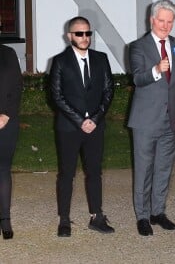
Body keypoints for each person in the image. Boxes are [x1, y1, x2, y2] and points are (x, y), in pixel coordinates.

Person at [128, 0, 175, 236]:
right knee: (144, 169)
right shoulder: (138, 46)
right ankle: (143, 216)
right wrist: (156, 70)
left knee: (164, 168)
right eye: (161, 21)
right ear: (152, 20)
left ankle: (158, 212)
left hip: (171, 119)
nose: (165, 26)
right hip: (145, 120)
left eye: (170, 21)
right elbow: (137, 78)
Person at [50, 16, 114, 237]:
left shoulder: (101, 58)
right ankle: (64, 219)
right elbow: (56, 96)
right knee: (67, 174)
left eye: (88, 33)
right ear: (69, 36)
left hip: (96, 127)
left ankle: (97, 216)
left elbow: (108, 91)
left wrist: (94, 119)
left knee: (94, 172)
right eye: (79, 33)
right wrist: (80, 120)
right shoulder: (60, 61)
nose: (85, 37)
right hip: (69, 127)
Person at [0, 45, 22, 240]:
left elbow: (17, 86)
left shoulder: (8, 53)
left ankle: (5, 219)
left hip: (5, 121)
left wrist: (6, 114)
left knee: (3, 169)